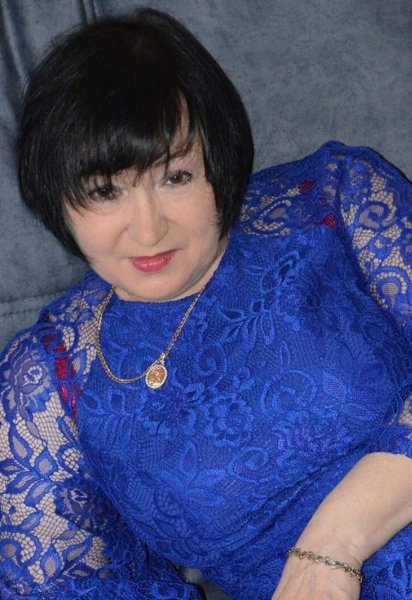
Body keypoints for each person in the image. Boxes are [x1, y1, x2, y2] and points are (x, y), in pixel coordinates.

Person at [1, 7, 412, 599]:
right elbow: (62, 587)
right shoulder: (47, 386)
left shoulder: (336, 201)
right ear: (56, 198)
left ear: (217, 160)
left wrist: (334, 544)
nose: (148, 229)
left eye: (175, 177)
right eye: (105, 191)